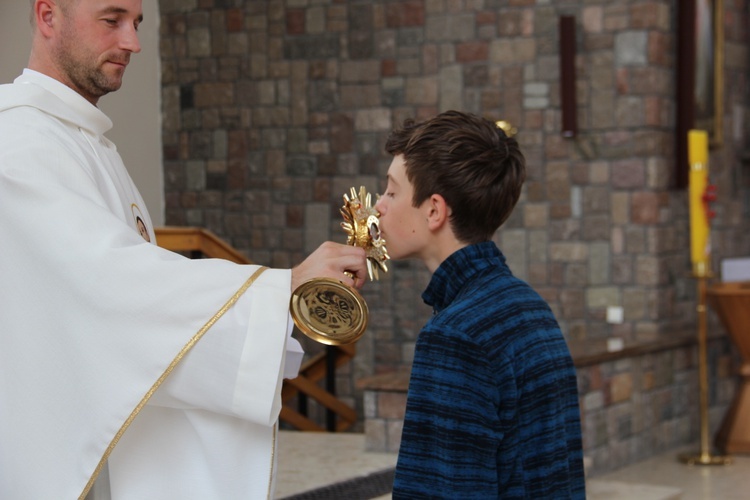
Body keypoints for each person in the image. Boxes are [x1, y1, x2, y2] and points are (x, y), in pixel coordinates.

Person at [0, 1, 367, 499]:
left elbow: (140, 306)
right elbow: (111, 286)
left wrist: (285, 306)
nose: (133, 43)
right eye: (112, 21)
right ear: (48, 17)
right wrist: (280, 287)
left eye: (138, 23)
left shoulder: (91, 145)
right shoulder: (18, 141)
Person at [374, 110, 586, 498]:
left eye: (391, 191)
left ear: (434, 210)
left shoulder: (455, 336)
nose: (378, 207)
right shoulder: (529, 307)